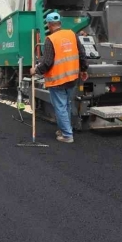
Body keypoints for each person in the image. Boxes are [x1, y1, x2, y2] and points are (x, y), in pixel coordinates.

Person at [30, 12, 88, 144]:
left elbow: (47, 62)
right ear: (60, 23)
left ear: (50, 25)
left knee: (61, 106)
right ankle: (64, 129)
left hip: (58, 80)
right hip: (72, 78)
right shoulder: (72, 34)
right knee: (66, 104)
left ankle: (67, 135)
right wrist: (84, 70)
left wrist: (35, 70)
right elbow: (82, 53)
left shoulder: (51, 39)